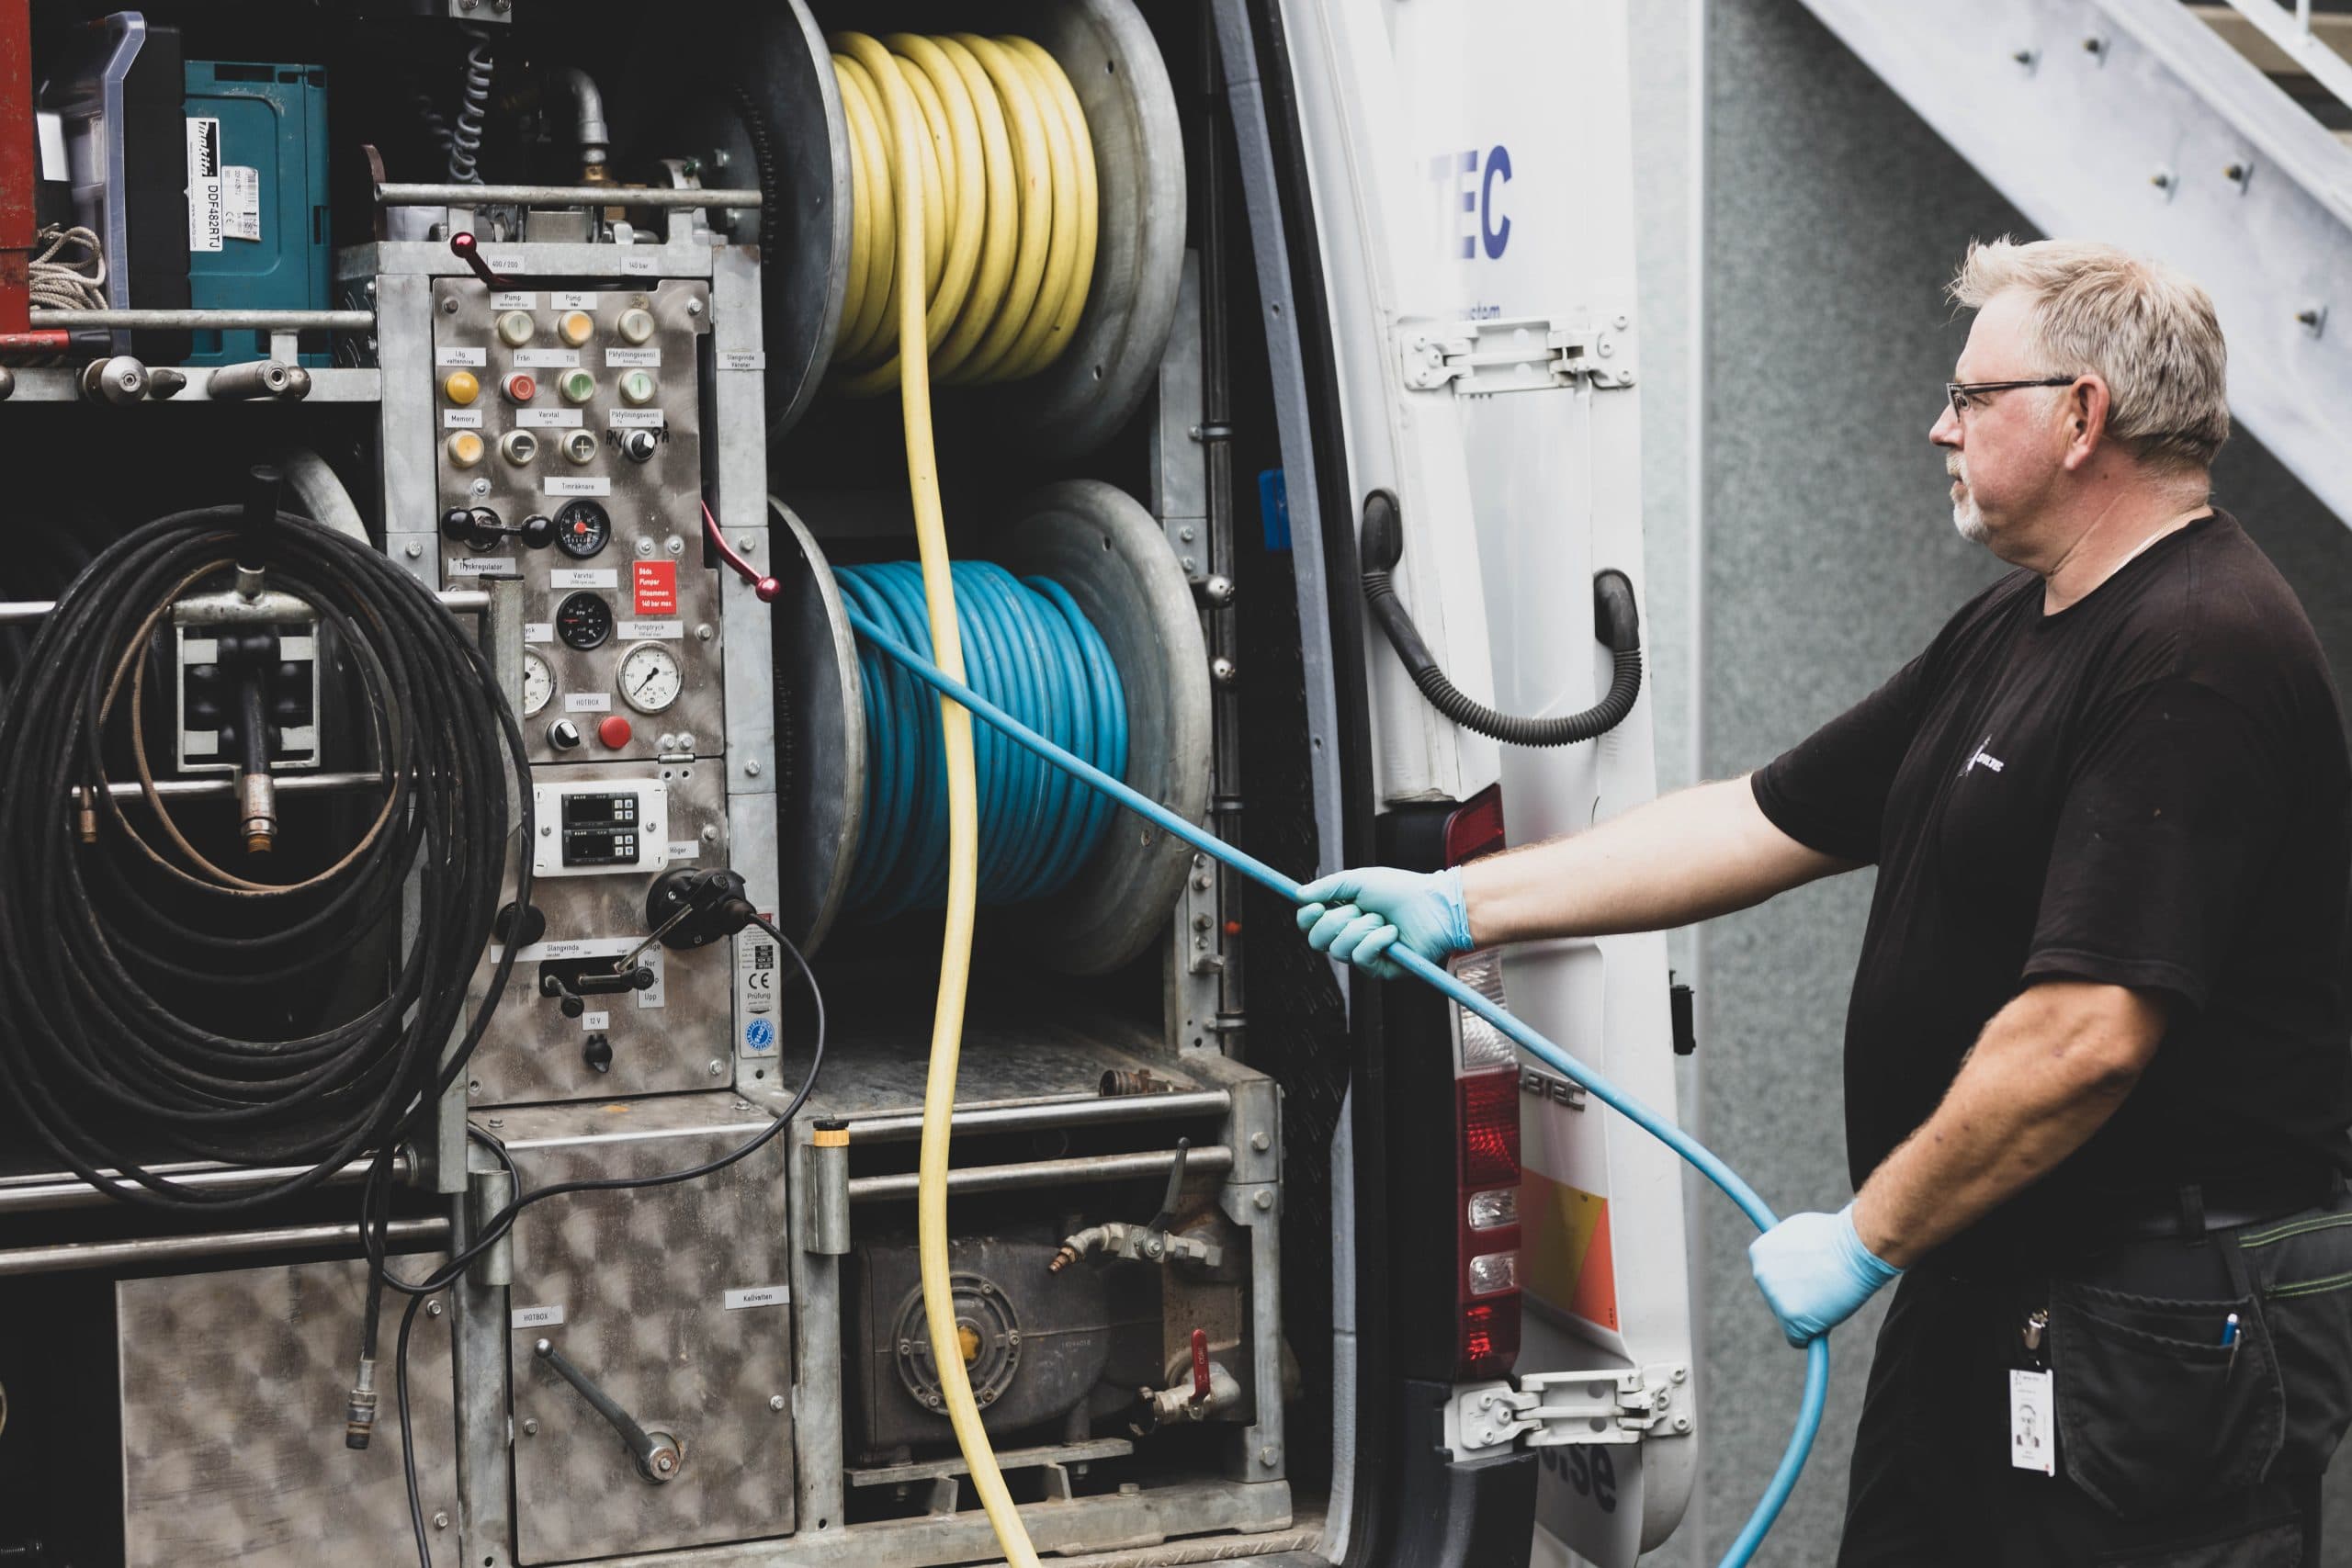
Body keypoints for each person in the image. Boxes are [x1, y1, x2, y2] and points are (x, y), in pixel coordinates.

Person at [1299, 238, 2352, 1565]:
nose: (1938, 425)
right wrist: (1461, 905)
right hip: (1993, 1279)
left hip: (2149, 1323)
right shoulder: (2021, 625)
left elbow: (2087, 1034)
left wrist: (1866, 1236)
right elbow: (1761, 814)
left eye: (1973, 397)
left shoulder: (2200, 652)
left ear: (2084, 415)